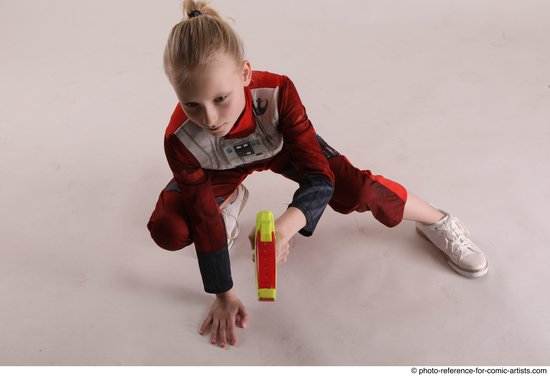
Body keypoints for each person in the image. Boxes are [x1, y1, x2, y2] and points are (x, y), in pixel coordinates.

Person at [147, 0, 488, 348]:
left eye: (221, 98)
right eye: (191, 104)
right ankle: (230, 200)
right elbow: (202, 218)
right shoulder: (180, 140)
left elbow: (319, 177)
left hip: (281, 151)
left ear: (246, 74)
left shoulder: (278, 92)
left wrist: (285, 227)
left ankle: (437, 221)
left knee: (357, 190)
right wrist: (223, 293)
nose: (210, 118)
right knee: (169, 228)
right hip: (217, 169)